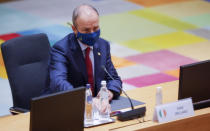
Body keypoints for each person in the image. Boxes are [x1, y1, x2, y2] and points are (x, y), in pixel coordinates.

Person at [48, 4, 122, 101]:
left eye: (95, 28)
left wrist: (110, 92)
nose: (92, 33)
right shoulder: (61, 49)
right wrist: (86, 100)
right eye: (86, 30)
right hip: (70, 104)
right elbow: (58, 83)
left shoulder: (103, 45)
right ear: (74, 29)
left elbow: (114, 79)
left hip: (98, 107)